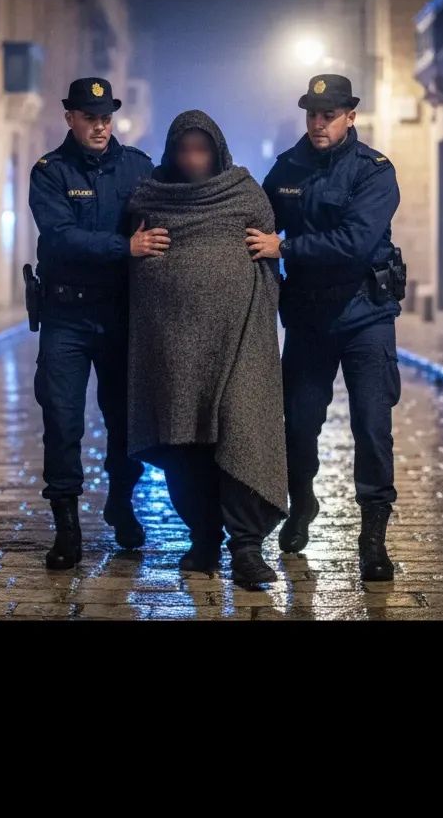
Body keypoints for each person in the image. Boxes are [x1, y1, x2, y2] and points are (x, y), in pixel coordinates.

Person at [250, 74, 405, 582]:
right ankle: (302, 505)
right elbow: (254, 219)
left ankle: (372, 537)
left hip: (366, 315)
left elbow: (355, 242)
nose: (319, 123)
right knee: (296, 423)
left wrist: (287, 248)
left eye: (329, 114)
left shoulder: (373, 172)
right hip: (310, 317)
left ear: (350, 116)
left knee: (371, 426)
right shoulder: (287, 167)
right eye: (313, 114)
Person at [127, 110, 288, 589]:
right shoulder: (150, 196)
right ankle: (202, 539)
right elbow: (135, 262)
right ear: (171, 152)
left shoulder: (244, 192)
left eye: (201, 149)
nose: (192, 158)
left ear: (217, 150)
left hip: (240, 340)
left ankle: (246, 547)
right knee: (185, 445)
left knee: (240, 432)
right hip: (173, 345)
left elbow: (266, 260)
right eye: (184, 149)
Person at [28, 77, 169, 570]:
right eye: (90, 117)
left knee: (126, 423)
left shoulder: (139, 168)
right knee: (62, 420)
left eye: (106, 117)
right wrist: (123, 247)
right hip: (66, 315)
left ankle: (122, 503)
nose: (100, 126)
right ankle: (66, 528)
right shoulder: (50, 172)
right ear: (70, 117)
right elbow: (60, 236)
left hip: (121, 313)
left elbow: (171, 218)